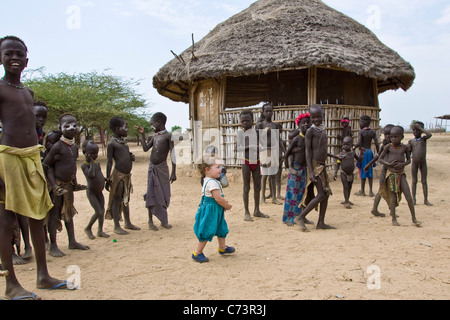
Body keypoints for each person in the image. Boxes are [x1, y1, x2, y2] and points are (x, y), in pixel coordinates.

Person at [0, 35, 71, 300]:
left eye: (19, 54)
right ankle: (11, 285)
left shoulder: (27, 93)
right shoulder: (0, 89)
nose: (14, 57)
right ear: (0, 58)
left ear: (27, 60)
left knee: (38, 215)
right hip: (8, 157)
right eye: (8, 53)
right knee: (6, 219)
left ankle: (43, 276)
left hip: (32, 157)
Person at [43, 113, 89, 257]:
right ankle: (53, 246)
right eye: (67, 126)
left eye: (75, 125)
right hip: (58, 187)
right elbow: (46, 165)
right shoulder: (57, 146)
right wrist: (54, 186)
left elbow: (72, 166)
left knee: (69, 212)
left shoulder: (74, 147)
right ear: (60, 128)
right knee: (54, 214)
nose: (72, 128)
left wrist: (74, 183)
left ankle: (72, 241)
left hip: (68, 186)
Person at [295, 104, 335, 232]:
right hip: (315, 166)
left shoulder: (322, 130)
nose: (317, 119)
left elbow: (322, 149)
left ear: (323, 116)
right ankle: (300, 216)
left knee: (326, 193)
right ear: (311, 118)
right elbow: (308, 152)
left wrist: (334, 155)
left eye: (319, 117)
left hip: (322, 166)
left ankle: (321, 222)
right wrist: (311, 171)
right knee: (322, 194)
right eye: (314, 117)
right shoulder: (311, 131)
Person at [137, 112, 176, 231]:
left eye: (152, 124)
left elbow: (173, 154)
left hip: (162, 168)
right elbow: (145, 149)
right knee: (151, 193)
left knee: (164, 193)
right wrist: (142, 135)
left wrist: (174, 172)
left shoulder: (168, 136)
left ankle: (164, 221)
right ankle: (150, 221)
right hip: (152, 168)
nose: (151, 126)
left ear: (159, 123)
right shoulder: (154, 137)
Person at [192, 155, 234, 263]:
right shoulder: (211, 183)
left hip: (216, 210)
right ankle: (197, 252)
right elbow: (218, 198)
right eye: (217, 167)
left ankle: (222, 248)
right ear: (207, 170)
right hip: (211, 211)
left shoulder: (211, 180)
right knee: (207, 230)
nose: (220, 169)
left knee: (221, 228)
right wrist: (227, 206)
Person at [377, 126, 421, 227]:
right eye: (392, 137)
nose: (393, 139)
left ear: (402, 137)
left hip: (401, 174)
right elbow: (380, 159)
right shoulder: (388, 147)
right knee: (392, 198)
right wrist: (389, 164)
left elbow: (409, 160)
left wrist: (403, 164)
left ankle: (414, 218)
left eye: (396, 137)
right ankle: (393, 219)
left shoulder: (405, 148)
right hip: (391, 174)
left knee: (409, 197)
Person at [106, 116, 140, 235]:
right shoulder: (112, 144)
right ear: (117, 129)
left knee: (126, 199)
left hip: (126, 175)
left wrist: (131, 158)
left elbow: (125, 156)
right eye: (124, 127)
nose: (126, 130)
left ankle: (128, 222)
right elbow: (109, 161)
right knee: (117, 200)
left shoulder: (124, 143)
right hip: (118, 175)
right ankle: (116, 225)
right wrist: (107, 178)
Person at [237, 109, 268, 221]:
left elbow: (263, 145)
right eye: (243, 121)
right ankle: (246, 212)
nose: (245, 123)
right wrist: (250, 147)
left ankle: (257, 210)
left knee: (258, 187)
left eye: (247, 120)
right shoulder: (241, 133)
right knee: (246, 187)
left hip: (257, 162)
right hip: (246, 162)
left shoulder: (257, 132)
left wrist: (261, 148)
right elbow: (238, 148)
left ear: (252, 120)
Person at [282, 113, 311, 225]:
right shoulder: (297, 139)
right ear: (299, 125)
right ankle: (288, 218)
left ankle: (301, 216)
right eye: (303, 123)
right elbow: (287, 153)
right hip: (295, 168)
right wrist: (289, 167)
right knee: (292, 195)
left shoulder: (309, 138)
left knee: (302, 194)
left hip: (304, 169)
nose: (306, 125)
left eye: (308, 122)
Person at [255, 103, 285, 205]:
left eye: (270, 111)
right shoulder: (260, 125)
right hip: (264, 151)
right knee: (264, 175)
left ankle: (274, 198)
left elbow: (279, 139)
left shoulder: (275, 125)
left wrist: (284, 151)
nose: (268, 113)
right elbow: (256, 138)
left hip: (274, 150)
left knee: (273, 174)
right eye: (266, 111)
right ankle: (262, 197)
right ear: (263, 112)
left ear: (273, 112)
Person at [82, 140, 109, 240]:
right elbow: (91, 174)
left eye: (96, 153)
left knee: (102, 210)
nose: (95, 155)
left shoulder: (97, 164)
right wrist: (92, 162)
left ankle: (100, 230)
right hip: (91, 192)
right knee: (98, 211)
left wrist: (106, 179)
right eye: (92, 153)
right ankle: (88, 228)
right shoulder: (84, 165)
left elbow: (99, 175)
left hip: (99, 192)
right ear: (85, 153)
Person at [366, 124, 394, 217]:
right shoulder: (386, 146)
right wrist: (369, 164)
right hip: (386, 172)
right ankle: (376, 209)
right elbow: (377, 156)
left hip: (390, 172)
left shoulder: (393, 146)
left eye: (389, 134)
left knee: (389, 191)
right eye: (386, 134)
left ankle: (390, 209)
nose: (387, 137)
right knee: (383, 191)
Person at [331, 136, 362, 209]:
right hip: (343, 173)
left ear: (351, 145)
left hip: (351, 173)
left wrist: (362, 154)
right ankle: (347, 202)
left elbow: (359, 160)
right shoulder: (342, 154)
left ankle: (347, 199)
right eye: (344, 144)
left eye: (347, 144)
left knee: (349, 187)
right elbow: (338, 163)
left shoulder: (353, 153)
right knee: (345, 187)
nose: (345, 146)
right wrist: (335, 173)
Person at [408, 121, 433, 206]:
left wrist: (421, 128)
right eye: (414, 130)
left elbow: (429, 134)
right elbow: (408, 151)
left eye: (417, 130)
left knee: (424, 181)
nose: (415, 132)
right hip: (414, 163)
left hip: (423, 163)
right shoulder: (411, 141)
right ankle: (414, 199)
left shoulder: (423, 139)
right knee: (414, 181)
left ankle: (425, 200)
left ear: (421, 131)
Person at [354, 115, 380, 197]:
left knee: (363, 171)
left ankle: (362, 191)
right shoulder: (372, 132)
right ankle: (371, 191)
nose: (359, 124)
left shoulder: (361, 132)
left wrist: (353, 147)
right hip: (370, 152)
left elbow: (359, 143)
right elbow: (376, 143)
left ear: (364, 123)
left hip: (363, 152)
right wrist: (378, 152)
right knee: (370, 171)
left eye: (360, 122)